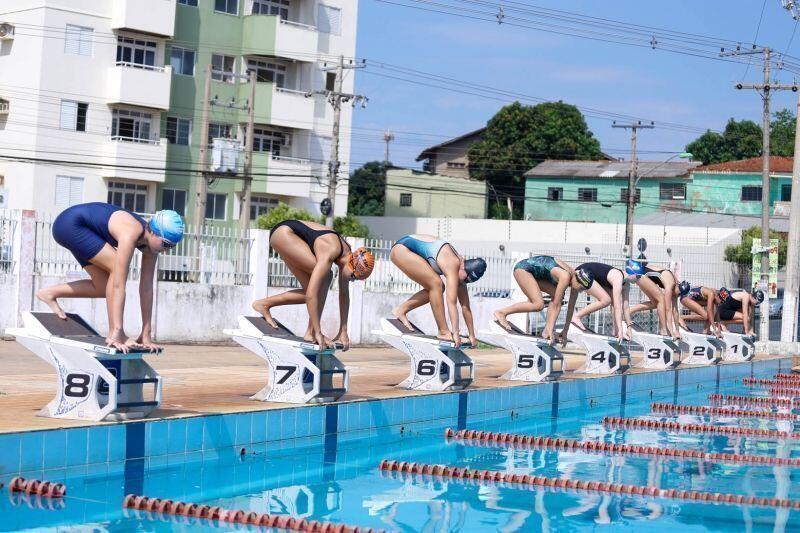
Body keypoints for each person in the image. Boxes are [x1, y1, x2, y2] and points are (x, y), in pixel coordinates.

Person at [35, 202, 184, 353]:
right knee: (116, 267)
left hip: (86, 230)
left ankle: (49, 293)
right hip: (70, 224)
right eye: (165, 244)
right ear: (153, 232)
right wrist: (117, 332)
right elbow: (119, 285)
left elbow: (146, 288)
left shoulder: (152, 248)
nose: (165, 250)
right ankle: (116, 332)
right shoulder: (131, 232)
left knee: (103, 286)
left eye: (171, 247)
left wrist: (146, 334)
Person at [251, 219, 374, 351]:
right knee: (325, 278)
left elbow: (344, 294)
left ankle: (264, 304)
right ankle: (312, 332)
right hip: (285, 234)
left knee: (314, 289)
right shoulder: (332, 249)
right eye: (353, 277)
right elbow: (311, 296)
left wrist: (343, 331)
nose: (352, 280)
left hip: (288, 237)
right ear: (352, 264)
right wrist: (319, 332)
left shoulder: (347, 257)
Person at [390, 234, 486, 347]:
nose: (464, 282)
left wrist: (472, 335)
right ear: (463, 265)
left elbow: (465, 307)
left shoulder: (461, 274)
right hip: (402, 250)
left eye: (468, 281)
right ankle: (443, 331)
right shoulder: (453, 263)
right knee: (437, 285)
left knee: (434, 289)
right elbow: (452, 303)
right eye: (464, 279)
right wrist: (455, 333)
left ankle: (401, 310)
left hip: (407, 251)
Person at [493, 255, 586, 343]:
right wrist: (551, 329)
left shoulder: (574, 281)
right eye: (581, 288)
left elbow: (570, 309)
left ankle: (546, 331)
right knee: (538, 304)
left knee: (558, 295)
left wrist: (565, 331)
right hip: (523, 270)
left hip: (534, 274)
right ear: (578, 280)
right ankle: (502, 312)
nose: (580, 291)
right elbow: (556, 305)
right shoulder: (565, 277)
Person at [570, 261, 635, 342]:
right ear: (632, 274)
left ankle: (616, 331)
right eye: (638, 276)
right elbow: (618, 307)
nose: (639, 280)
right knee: (606, 300)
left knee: (612, 301)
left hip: (593, 275)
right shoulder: (618, 278)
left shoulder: (626, 283)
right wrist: (621, 329)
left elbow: (625, 307)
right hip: (584, 271)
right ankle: (577, 316)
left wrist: (629, 327)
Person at [628, 262, 680, 338]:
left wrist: (677, 331)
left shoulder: (676, 289)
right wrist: (671, 331)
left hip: (641, 273)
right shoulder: (670, 286)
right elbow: (668, 309)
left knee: (655, 304)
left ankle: (627, 312)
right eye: (678, 294)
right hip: (639, 273)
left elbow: (675, 311)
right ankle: (663, 329)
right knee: (661, 299)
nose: (677, 296)